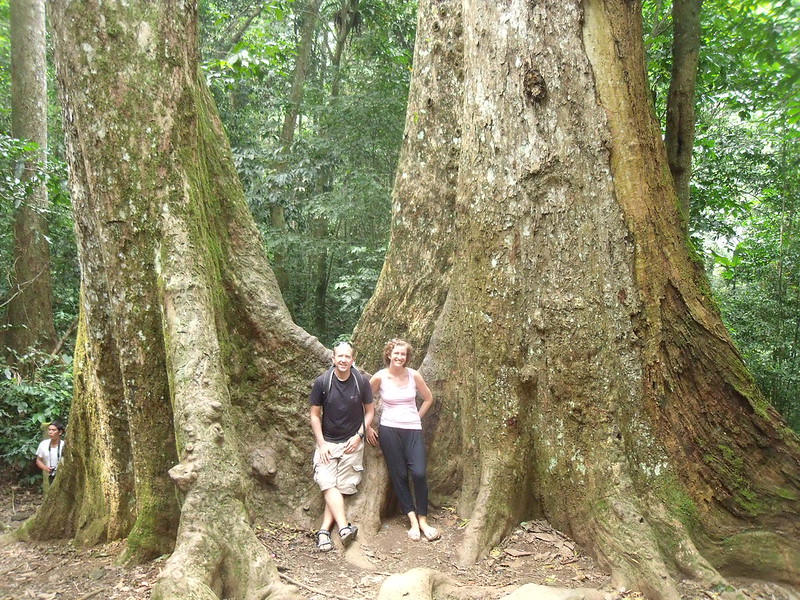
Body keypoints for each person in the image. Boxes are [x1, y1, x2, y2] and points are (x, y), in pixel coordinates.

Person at [369, 339, 440, 542]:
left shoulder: (413, 375)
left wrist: (417, 416)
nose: (400, 357)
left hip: (412, 429)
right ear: (389, 354)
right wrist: (367, 425)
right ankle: (413, 521)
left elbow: (428, 398)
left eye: (403, 355)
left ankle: (424, 520)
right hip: (389, 429)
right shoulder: (380, 377)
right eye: (396, 353)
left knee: (418, 473)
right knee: (399, 475)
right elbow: (364, 399)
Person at [309, 342, 374, 552]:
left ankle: (324, 532)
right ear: (333, 359)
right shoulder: (323, 382)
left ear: (353, 360)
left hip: (351, 443)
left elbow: (370, 411)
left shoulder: (361, 382)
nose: (344, 360)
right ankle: (344, 528)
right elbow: (314, 415)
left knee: (340, 487)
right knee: (328, 483)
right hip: (328, 442)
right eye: (340, 357)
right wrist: (322, 444)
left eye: (348, 357)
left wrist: (359, 436)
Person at [35, 420, 65, 486]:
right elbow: (38, 460)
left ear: (60, 432)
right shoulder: (43, 444)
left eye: (53, 430)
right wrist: (45, 468)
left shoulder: (64, 445)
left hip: (64, 476)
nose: (50, 432)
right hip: (51, 476)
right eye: (49, 430)